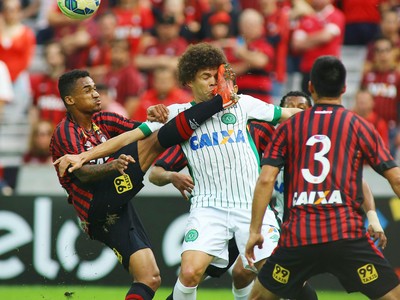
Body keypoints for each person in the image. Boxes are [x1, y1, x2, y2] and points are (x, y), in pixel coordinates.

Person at [54, 43, 301, 300]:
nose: (212, 83)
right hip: (209, 207)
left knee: (270, 274)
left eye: (215, 77)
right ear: (188, 81)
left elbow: (289, 114)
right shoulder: (176, 114)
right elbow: (128, 137)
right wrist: (83, 156)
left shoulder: (244, 105)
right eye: (205, 78)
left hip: (250, 206)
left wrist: (327, 117)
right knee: (190, 272)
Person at [50, 67, 238, 300]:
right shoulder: (64, 132)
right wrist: (112, 165)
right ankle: (220, 101)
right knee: (154, 142)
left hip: (115, 209)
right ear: (70, 99)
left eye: (95, 88)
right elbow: (83, 175)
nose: (96, 94)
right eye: (87, 90)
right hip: (95, 203)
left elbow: (145, 129)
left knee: (149, 278)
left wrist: (156, 115)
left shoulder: (103, 120)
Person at [245, 55, 400, 300]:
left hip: (299, 238)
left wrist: (254, 230)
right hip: (346, 236)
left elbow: (265, 180)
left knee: (257, 297)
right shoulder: (358, 125)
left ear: (311, 87)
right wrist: (372, 218)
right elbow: (396, 179)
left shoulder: (288, 127)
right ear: (345, 88)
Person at [149, 89, 318, 300]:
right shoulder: (257, 131)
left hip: (262, 217)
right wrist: (172, 176)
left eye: (302, 108)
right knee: (195, 274)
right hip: (217, 212)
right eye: (292, 107)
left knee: (262, 274)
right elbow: (155, 172)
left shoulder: (314, 150)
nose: (296, 112)